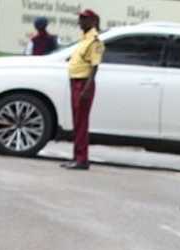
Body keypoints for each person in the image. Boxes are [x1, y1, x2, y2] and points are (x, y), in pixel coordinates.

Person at [61, 9, 103, 171]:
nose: (80, 22)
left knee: (81, 123)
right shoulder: (85, 39)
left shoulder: (95, 41)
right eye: (80, 18)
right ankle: (76, 156)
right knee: (77, 122)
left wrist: (86, 89)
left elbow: (94, 67)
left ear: (92, 21)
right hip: (76, 82)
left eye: (83, 19)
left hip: (84, 84)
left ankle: (82, 159)